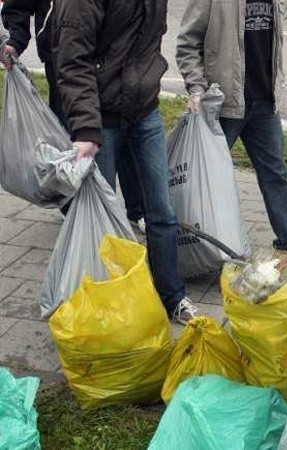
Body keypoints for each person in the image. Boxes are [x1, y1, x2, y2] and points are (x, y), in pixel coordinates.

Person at [51, 0, 197, 324]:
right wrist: (86, 127)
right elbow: (73, 61)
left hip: (144, 111)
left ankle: (171, 296)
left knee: (162, 212)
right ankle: (109, 303)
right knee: (104, 223)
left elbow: (147, 45)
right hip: (101, 119)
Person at [0, 0, 146, 234]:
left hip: (116, 57)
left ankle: (138, 209)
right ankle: (78, 210)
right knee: (73, 137)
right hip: (62, 56)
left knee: (126, 133)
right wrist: (16, 40)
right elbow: (18, 5)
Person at [176, 0, 287, 253]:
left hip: (265, 103)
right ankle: (197, 248)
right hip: (224, 103)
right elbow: (187, 43)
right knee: (207, 180)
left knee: (275, 174)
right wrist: (197, 87)